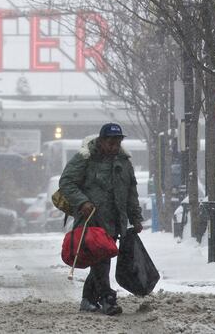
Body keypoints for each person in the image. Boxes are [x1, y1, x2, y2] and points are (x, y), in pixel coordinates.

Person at [59, 123, 143, 315]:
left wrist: (136, 218)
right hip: (91, 220)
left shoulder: (124, 162)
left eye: (117, 143)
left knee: (101, 260)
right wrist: (83, 202)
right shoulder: (85, 158)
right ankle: (107, 298)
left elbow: (131, 193)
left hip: (114, 222)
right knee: (101, 259)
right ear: (101, 140)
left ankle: (88, 300)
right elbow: (66, 182)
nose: (114, 147)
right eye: (111, 142)